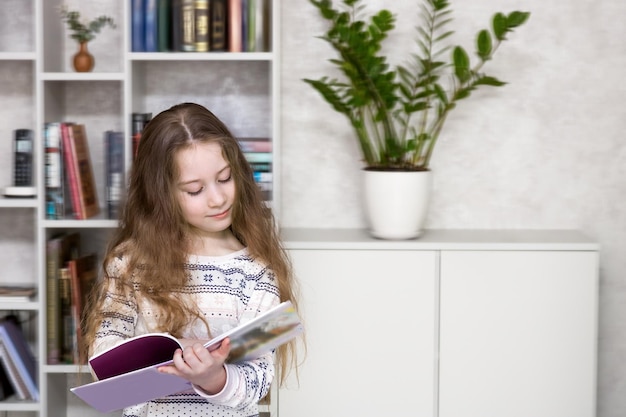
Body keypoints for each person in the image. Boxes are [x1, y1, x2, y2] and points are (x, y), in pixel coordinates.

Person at [82, 102, 300, 417]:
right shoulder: (130, 263)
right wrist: (170, 353)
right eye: (195, 190)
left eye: (225, 178)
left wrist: (213, 377)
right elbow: (102, 361)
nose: (218, 198)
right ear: (161, 195)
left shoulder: (255, 271)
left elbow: (260, 379)